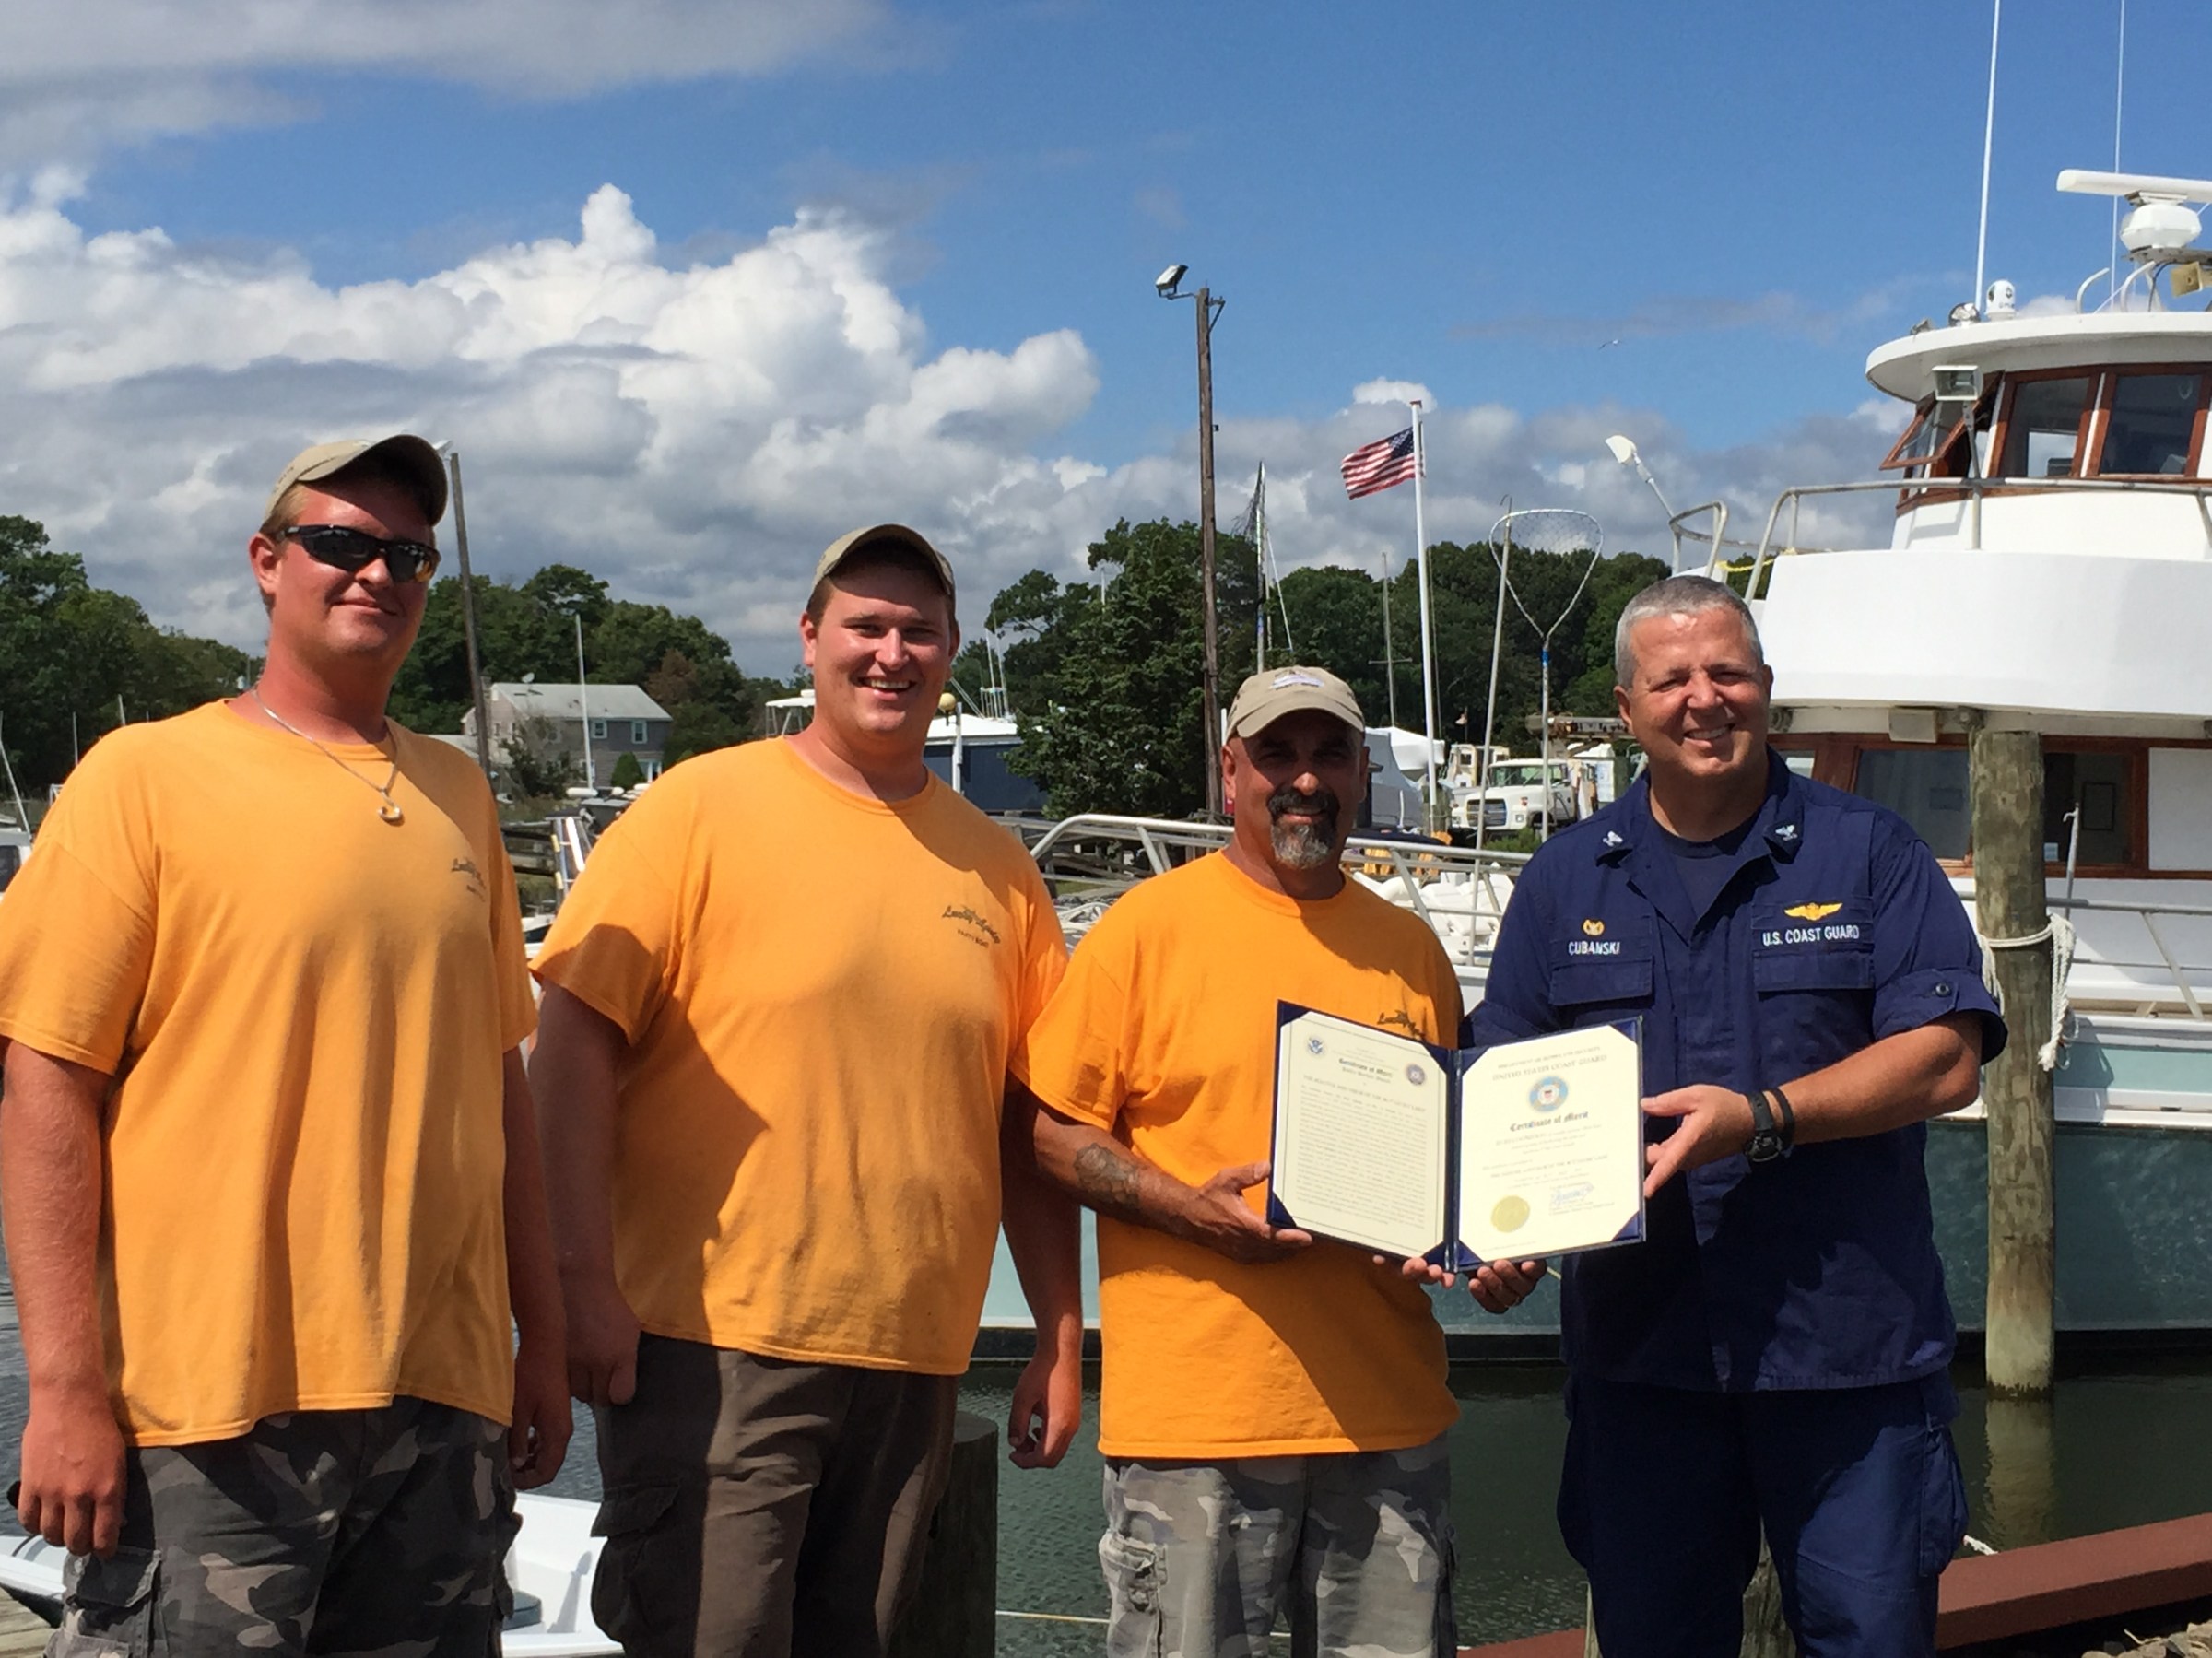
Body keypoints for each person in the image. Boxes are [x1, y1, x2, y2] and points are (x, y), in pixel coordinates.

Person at [0, 434, 570, 1654]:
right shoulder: (141, 777)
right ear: (269, 562)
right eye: (341, 543)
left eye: (407, 553)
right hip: (209, 1407)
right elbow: (47, 1078)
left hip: (442, 1403)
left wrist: (543, 1334)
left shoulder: (462, 794)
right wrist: (63, 1389)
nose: (378, 572)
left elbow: (498, 1089)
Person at [529, 523, 1082, 1658]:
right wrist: (579, 1279)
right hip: (712, 1342)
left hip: (916, 1353)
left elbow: (1027, 1124)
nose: (891, 653)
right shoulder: (699, 808)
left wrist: (1059, 1334)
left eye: (916, 630)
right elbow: (571, 1040)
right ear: (810, 639)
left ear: (951, 649)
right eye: (864, 626)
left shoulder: (1000, 866)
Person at [1469, 574, 2006, 1658]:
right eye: (1674, 679)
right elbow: (1497, 1084)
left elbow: (1946, 1057)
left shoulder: (1869, 851)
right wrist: (1497, 1237)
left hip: (1848, 1361)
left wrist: (1761, 1115)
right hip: (1644, 1365)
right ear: (1626, 709)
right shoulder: (1563, 878)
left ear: (1766, 688)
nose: (1705, 698)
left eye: (1730, 672)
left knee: (1871, 1642)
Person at [1014, 664, 1541, 1658]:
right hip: (1197, 1426)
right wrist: (1189, 1208)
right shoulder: (1142, 929)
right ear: (1231, 772)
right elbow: (1050, 1134)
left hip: (1387, 1418)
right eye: (1277, 754)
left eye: (1329, 754)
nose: (1305, 780)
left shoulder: (1412, 948)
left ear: (1361, 774)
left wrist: (1497, 1253)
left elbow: (1454, 1168)